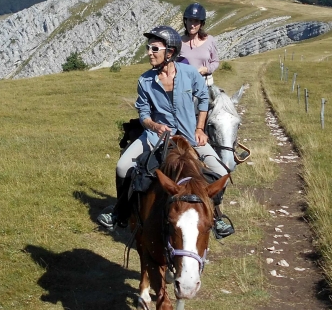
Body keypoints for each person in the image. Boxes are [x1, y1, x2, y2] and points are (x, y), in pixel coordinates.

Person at [97, 26, 234, 238]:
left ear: (170, 52)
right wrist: (154, 126)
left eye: (154, 48)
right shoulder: (145, 81)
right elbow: (143, 113)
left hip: (189, 135)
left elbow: (204, 99)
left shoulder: (190, 74)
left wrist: (199, 128)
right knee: (123, 167)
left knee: (222, 173)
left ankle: (215, 217)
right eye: (148, 48)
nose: (149, 53)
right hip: (156, 137)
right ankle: (119, 212)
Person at [181, 3, 219, 86]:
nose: (192, 25)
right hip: (186, 86)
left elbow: (215, 61)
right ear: (185, 21)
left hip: (206, 85)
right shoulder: (179, 42)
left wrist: (207, 69)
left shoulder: (210, 40)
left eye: (196, 21)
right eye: (190, 20)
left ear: (201, 24)